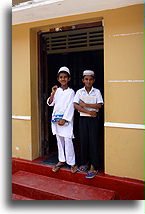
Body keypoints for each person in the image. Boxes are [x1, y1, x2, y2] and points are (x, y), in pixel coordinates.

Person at [73, 70, 103, 178]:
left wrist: (85, 104)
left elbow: (99, 105)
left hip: (94, 120)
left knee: (93, 140)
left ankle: (94, 165)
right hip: (83, 119)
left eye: (90, 79)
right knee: (84, 140)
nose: (88, 81)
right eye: (86, 79)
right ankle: (85, 162)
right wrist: (89, 111)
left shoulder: (97, 92)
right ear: (83, 80)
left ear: (93, 80)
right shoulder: (79, 92)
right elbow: (76, 105)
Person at [47, 66, 77, 173]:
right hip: (56, 120)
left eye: (65, 77)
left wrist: (64, 119)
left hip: (66, 121)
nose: (63, 79)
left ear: (69, 79)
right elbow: (50, 103)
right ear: (58, 79)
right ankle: (61, 160)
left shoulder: (71, 92)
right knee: (59, 140)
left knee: (68, 140)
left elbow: (71, 107)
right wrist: (53, 93)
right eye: (61, 77)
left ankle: (72, 163)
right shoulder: (57, 91)